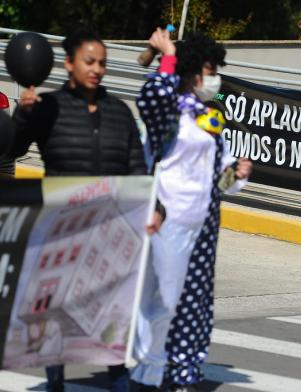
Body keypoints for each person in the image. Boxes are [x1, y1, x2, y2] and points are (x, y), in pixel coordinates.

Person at [6, 28, 164, 392]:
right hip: (60, 230)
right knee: (53, 319)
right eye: (89, 62)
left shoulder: (119, 112)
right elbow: (12, 149)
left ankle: (119, 382)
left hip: (108, 230)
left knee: (111, 316)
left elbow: (136, 168)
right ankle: (55, 383)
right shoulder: (48, 108)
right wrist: (23, 115)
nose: (97, 69)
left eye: (102, 63)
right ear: (69, 64)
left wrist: (154, 209)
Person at [131, 28, 252, 392]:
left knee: (194, 304)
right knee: (163, 301)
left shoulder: (208, 120)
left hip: (202, 225)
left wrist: (235, 173)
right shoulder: (165, 113)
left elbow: (218, 181)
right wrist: (166, 55)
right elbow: (151, 96)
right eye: (209, 69)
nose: (214, 78)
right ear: (189, 72)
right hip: (165, 221)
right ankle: (147, 373)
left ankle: (183, 373)